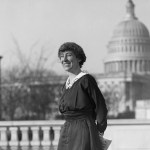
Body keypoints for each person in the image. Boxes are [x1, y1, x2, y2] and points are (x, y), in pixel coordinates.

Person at [57, 42, 108, 150]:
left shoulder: (86, 80)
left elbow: (100, 107)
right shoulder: (65, 85)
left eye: (69, 55)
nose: (64, 59)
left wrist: (98, 132)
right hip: (66, 130)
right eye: (61, 56)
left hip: (83, 129)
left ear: (79, 59)